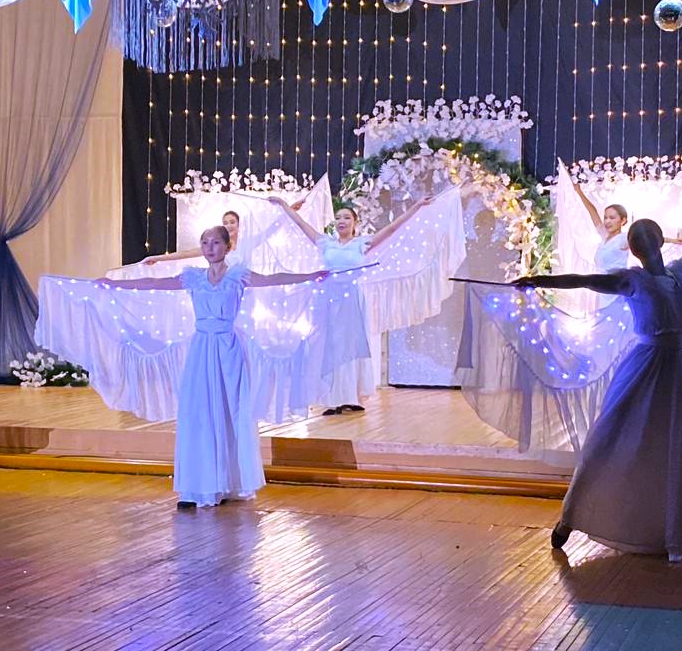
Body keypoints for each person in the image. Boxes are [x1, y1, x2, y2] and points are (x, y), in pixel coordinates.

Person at [512, 204, 682, 562]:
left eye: (649, 236)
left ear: (659, 241)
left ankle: (668, 529)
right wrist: (539, 281)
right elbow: (585, 280)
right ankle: (570, 518)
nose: (646, 242)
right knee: (611, 437)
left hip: (674, 368)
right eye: (640, 239)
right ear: (635, 249)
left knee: (673, 446)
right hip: (644, 366)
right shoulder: (632, 280)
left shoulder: (681, 273)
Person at [99, 225, 330, 509]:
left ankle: (225, 482)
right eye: (205, 243)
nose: (210, 248)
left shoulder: (238, 275)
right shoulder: (193, 278)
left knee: (227, 411)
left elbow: (274, 279)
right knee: (198, 411)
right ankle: (195, 487)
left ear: (227, 246)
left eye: (216, 243)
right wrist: (115, 285)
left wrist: (310, 276)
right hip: (202, 349)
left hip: (228, 349)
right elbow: (154, 283)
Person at [269, 196, 436, 415]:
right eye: (338, 218)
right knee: (330, 346)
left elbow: (393, 228)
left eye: (347, 217)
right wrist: (283, 204)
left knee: (351, 346)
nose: (342, 221)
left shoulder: (361, 244)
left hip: (352, 299)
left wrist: (417, 206)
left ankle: (351, 396)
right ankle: (332, 398)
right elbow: (300, 224)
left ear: (355, 222)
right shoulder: (325, 242)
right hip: (329, 299)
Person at [571, 183, 630, 273]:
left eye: (612, 218)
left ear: (623, 220)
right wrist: (579, 192)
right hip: (600, 280)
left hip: (617, 280)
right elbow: (592, 211)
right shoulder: (604, 237)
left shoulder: (624, 238)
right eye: (605, 218)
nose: (607, 221)